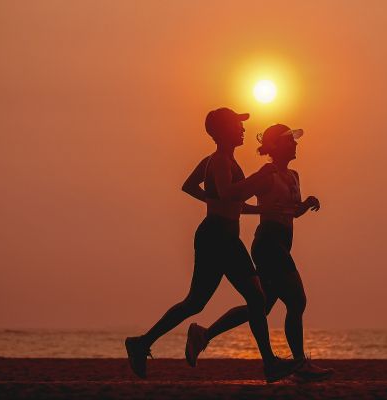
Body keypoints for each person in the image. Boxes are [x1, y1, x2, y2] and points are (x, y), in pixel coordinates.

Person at [125, 108, 298, 383]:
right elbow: (229, 193)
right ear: (223, 131)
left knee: (240, 299)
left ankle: (141, 343)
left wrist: (246, 206)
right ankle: (269, 364)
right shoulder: (218, 161)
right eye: (237, 126)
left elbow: (195, 188)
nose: (242, 130)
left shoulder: (221, 160)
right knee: (219, 301)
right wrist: (252, 182)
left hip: (228, 237)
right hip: (216, 238)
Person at [184, 124, 334, 381]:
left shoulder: (294, 175)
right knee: (297, 300)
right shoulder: (266, 175)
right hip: (268, 244)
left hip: (283, 242)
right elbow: (236, 199)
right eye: (290, 141)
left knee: (260, 307)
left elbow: (292, 211)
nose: (295, 145)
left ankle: (203, 334)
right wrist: (220, 200)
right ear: (275, 146)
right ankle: (300, 364)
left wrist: (307, 204)